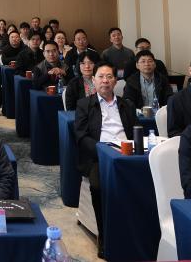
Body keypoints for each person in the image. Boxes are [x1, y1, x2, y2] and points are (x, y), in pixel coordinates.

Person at [74, 62, 136, 259]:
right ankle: (105, 235)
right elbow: (81, 136)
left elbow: (136, 131)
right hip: (98, 156)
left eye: (109, 77)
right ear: (94, 80)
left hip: (127, 154)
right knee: (99, 187)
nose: (105, 81)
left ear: (115, 81)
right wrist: (103, 151)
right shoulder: (84, 104)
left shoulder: (127, 104)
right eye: (101, 77)